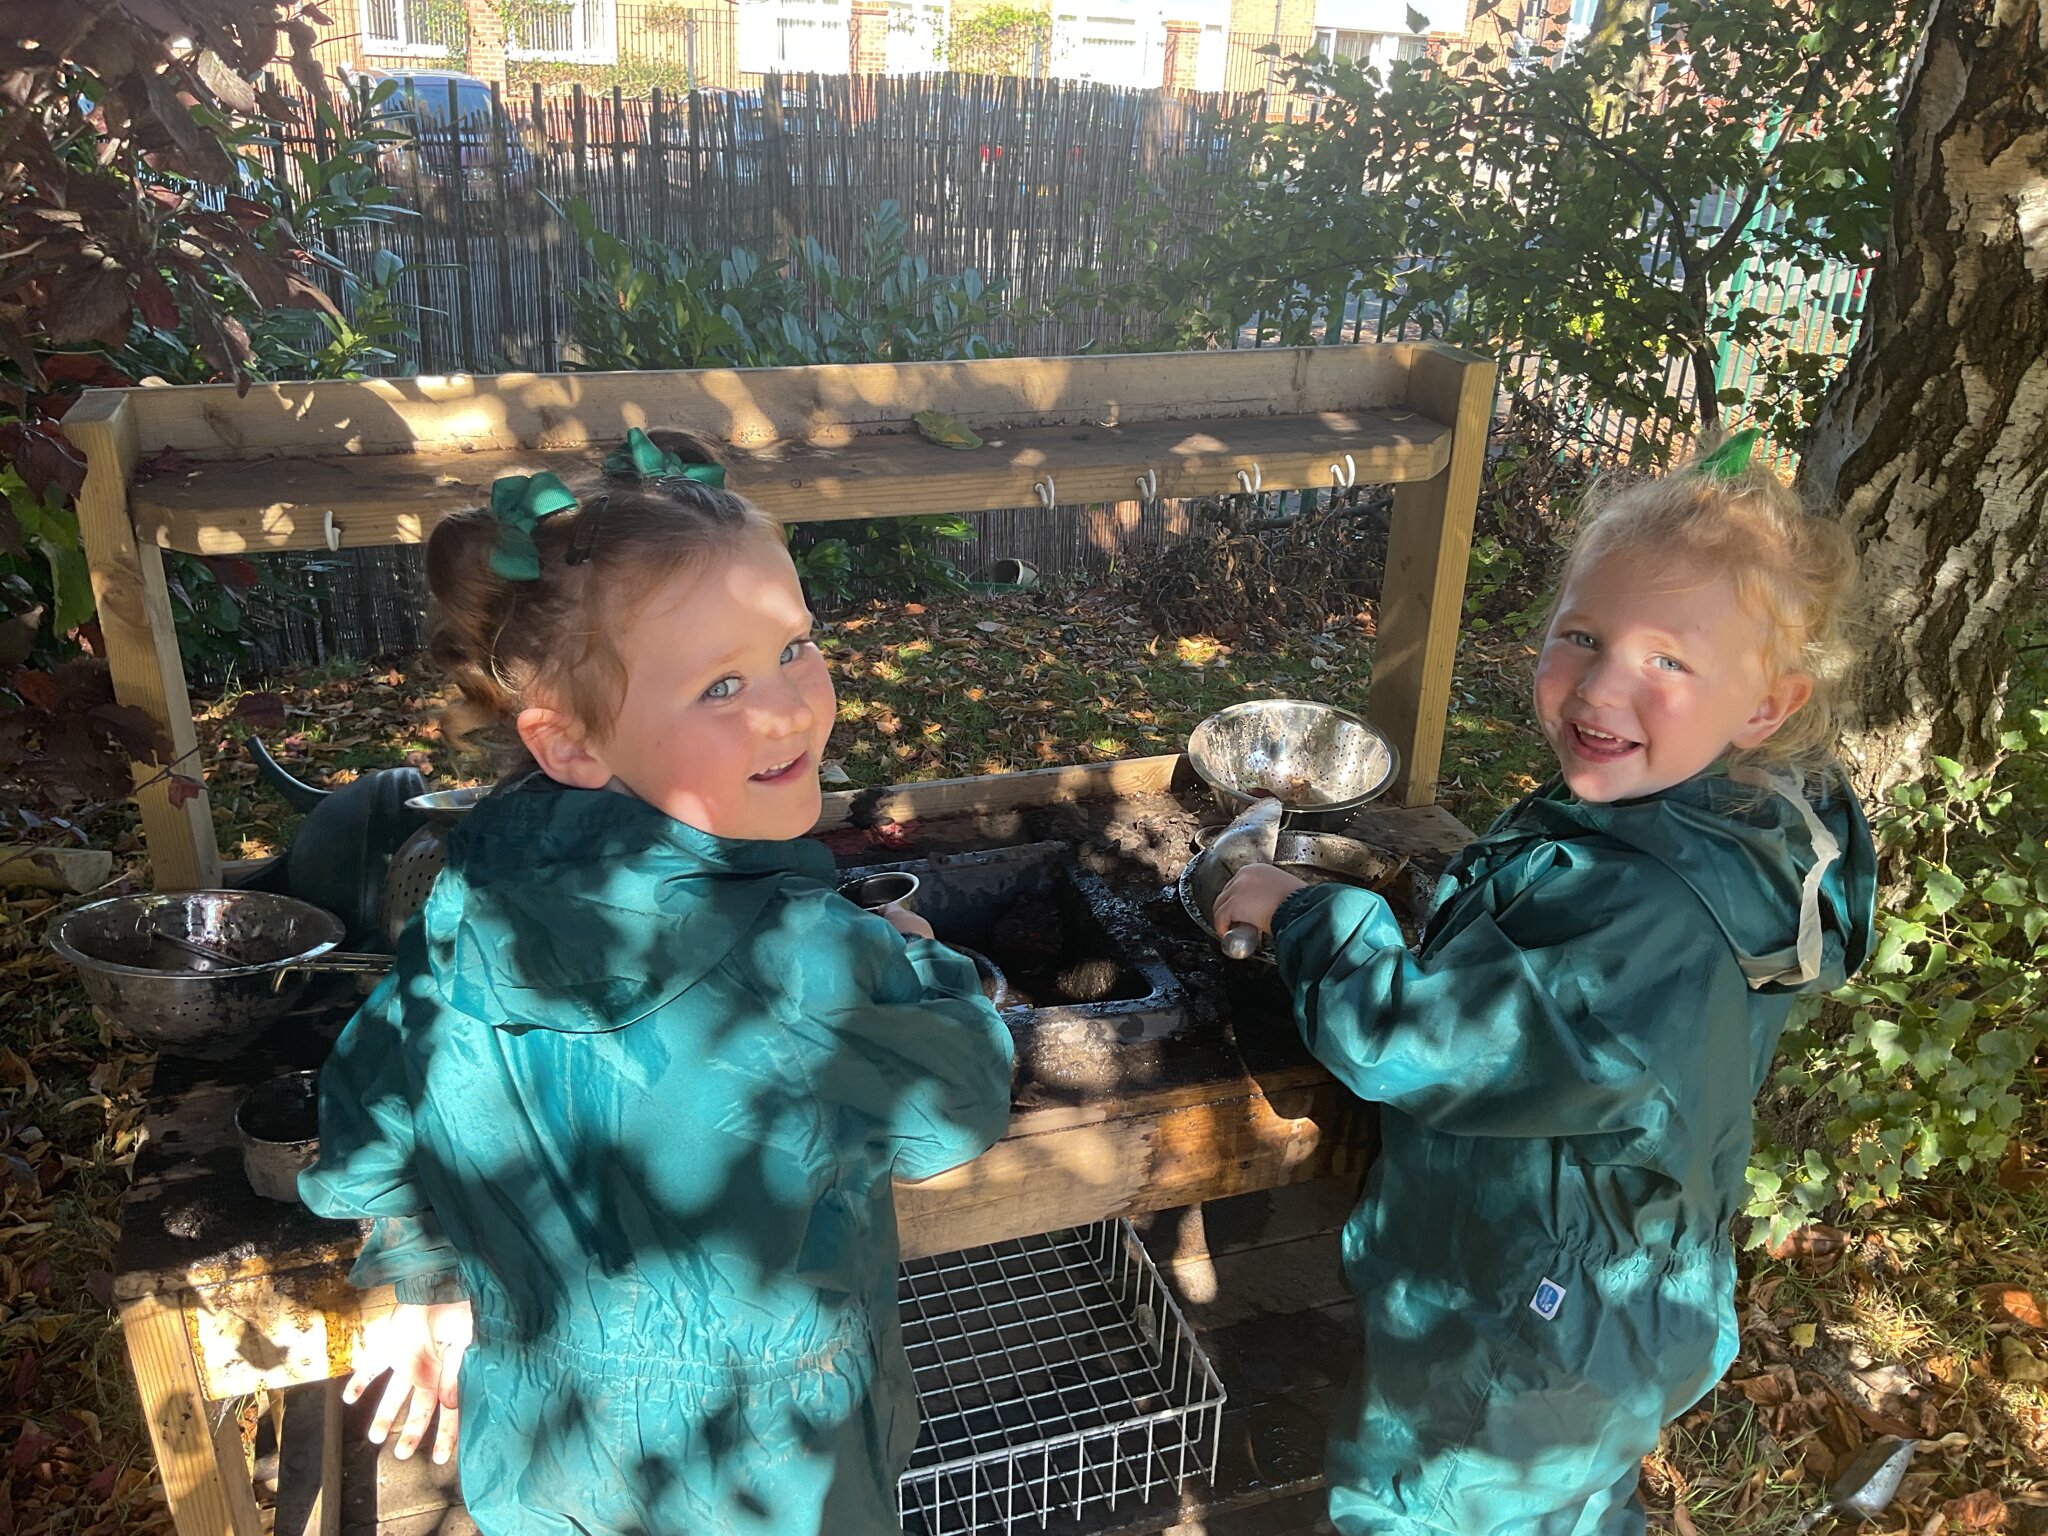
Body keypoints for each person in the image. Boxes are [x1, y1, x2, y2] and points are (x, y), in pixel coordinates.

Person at [300, 451, 1015, 1536]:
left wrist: (419, 1274)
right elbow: (957, 1108)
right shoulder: (806, 960)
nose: (786, 712)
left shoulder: (464, 912)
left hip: (551, 1469)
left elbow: (366, 1109)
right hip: (773, 1481)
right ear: (570, 740)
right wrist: (919, 959)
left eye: (794, 648)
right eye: (720, 686)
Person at [1213, 431, 1877, 1535]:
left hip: (1525, 1321)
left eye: (1668, 660)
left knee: (1422, 1506)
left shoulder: (1658, 919)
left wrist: (1306, 912)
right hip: (1604, 1290)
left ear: (1764, 706)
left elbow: (1416, 1042)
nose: (1602, 684)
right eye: (1582, 635)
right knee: (1563, 1510)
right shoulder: (1701, 823)